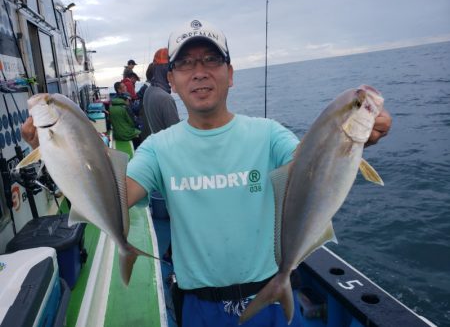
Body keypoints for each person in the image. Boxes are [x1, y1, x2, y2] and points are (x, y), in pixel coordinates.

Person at [21, 20, 392, 327]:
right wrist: (65, 151)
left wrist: (351, 139)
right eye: (186, 64)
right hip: (198, 307)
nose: (199, 72)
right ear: (173, 80)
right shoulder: (159, 147)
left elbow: (313, 165)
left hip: (269, 298)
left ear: (230, 75)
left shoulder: (269, 134)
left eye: (211, 60)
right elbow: (116, 198)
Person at [142, 47, 180, 134]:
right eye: (172, 67)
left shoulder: (148, 91)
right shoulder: (166, 99)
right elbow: (176, 135)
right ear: (167, 68)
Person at [110, 81, 141, 149]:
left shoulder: (113, 102)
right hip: (126, 133)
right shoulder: (125, 104)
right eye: (124, 86)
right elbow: (132, 122)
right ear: (119, 90)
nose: (126, 87)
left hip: (117, 133)